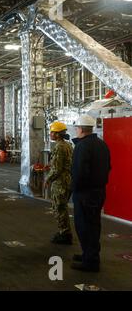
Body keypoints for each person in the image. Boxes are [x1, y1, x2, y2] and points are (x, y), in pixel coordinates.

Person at [70, 114, 111, 272]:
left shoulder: (82, 146)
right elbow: (108, 167)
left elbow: (80, 173)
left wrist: (73, 189)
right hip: (98, 191)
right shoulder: (102, 144)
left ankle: (91, 261)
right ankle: (89, 254)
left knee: (84, 226)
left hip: (85, 193)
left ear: (80, 129)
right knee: (93, 225)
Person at [44, 121, 73, 245]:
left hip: (60, 181)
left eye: (52, 132)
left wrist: (48, 179)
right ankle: (65, 231)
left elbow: (57, 169)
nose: (50, 134)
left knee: (59, 207)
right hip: (67, 179)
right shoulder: (68, 145)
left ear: (57, 134)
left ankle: (65, 233)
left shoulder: (59, 147)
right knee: (63, 206)